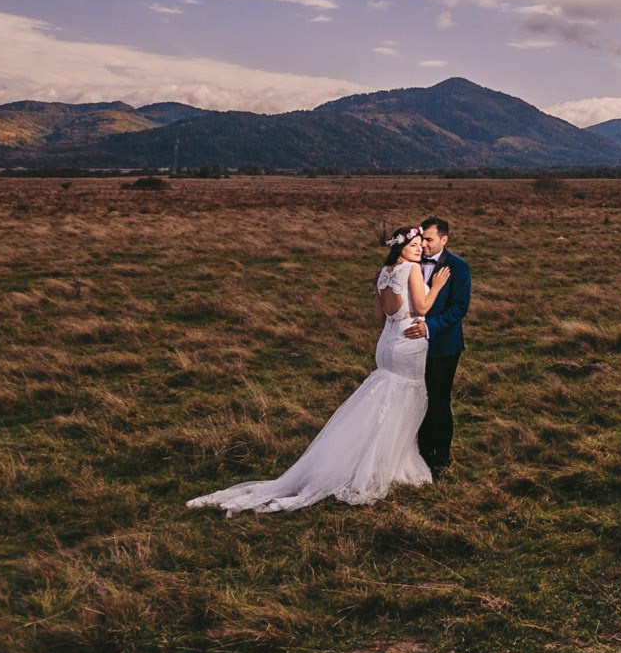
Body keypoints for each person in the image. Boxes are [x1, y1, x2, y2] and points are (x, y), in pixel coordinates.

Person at [187, 226, 450, 514]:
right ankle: (385, 464)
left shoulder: (383, 273)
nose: (418, 249)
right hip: (408, 340)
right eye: (413, 244)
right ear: (400, 247)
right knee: (406, 398)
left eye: (419, 244)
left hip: (386, 342)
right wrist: (436, 286)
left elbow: (379, 315)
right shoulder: (411, 270)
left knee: (384, 396)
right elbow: (422, 307)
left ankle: (369, 457)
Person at [414, 217, 470, 475]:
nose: (423, 245)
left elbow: (459, 308)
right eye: (421, 239)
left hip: (443, 345)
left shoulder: (458, 267)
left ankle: (440, 458)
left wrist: (430, 328)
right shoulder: (411, 262)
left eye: (429, 240)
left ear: (444, 239)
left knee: (438, 400)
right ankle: (416, 452)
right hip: (410, 346)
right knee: (415, 399)